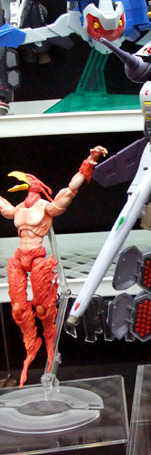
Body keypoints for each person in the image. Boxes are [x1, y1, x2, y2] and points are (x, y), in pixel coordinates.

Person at [0, 146, 107, 385]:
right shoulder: (18, 209)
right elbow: (2, 206)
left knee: (42, 310)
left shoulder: (46, 208)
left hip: (38, 258)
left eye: (28, 181)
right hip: (18, 258)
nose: (23, 184)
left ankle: (49, 350)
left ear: (36, 186)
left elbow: (70, 190)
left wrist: (90, 160)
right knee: (17, 310)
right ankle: (30, 352)